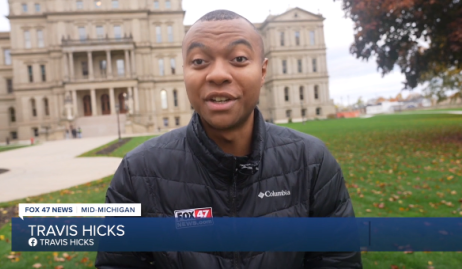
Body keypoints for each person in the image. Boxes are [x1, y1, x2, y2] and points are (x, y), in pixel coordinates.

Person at [95, 10, 362, 269]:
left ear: (263, 71)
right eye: (199, 61)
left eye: (239, 58)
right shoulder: (138, 172)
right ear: (183, 72)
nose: (218, 74)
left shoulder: (312, 162)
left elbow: (337, 260)